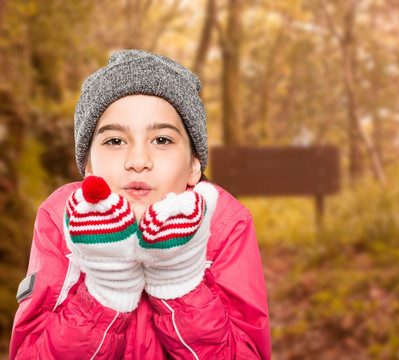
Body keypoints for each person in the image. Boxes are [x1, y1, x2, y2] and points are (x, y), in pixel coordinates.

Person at [10, 49, 271, 359]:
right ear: (88, 168)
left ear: (193, 167)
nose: (138, 161)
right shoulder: (60, 219)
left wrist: (179, 283)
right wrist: (106, 291)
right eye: (114, 141)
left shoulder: (225, 224)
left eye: (162, 140)